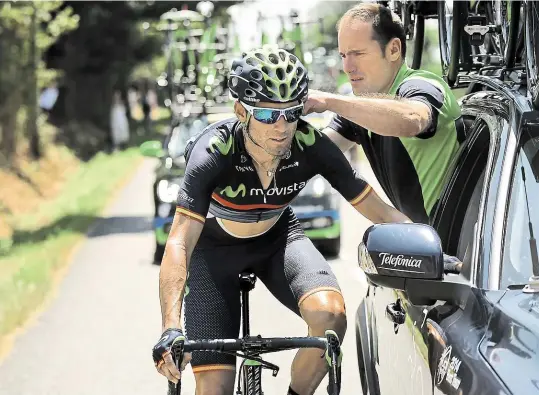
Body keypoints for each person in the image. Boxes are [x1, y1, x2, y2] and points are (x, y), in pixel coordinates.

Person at [152, 45, 412, 395]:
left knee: (330, 318)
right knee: (215, 388)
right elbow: (180, 240)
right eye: (265, 115)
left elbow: (377, 209)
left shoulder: (308, 143)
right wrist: (170, 327)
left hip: (278, 240)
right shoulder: (215, 150)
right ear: (241, 111)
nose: (281, 126)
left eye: (291, 113)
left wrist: (424, 243)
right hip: (213, 253)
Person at [304, 2, 465, 225]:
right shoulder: (362, 108)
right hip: (425, 246)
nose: (348, 67)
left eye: (358, 53)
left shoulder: (422, 85)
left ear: (393, 50)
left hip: (460, 246)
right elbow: (314, 154)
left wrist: (329, 101)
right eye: (343, 55)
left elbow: (412, 120)